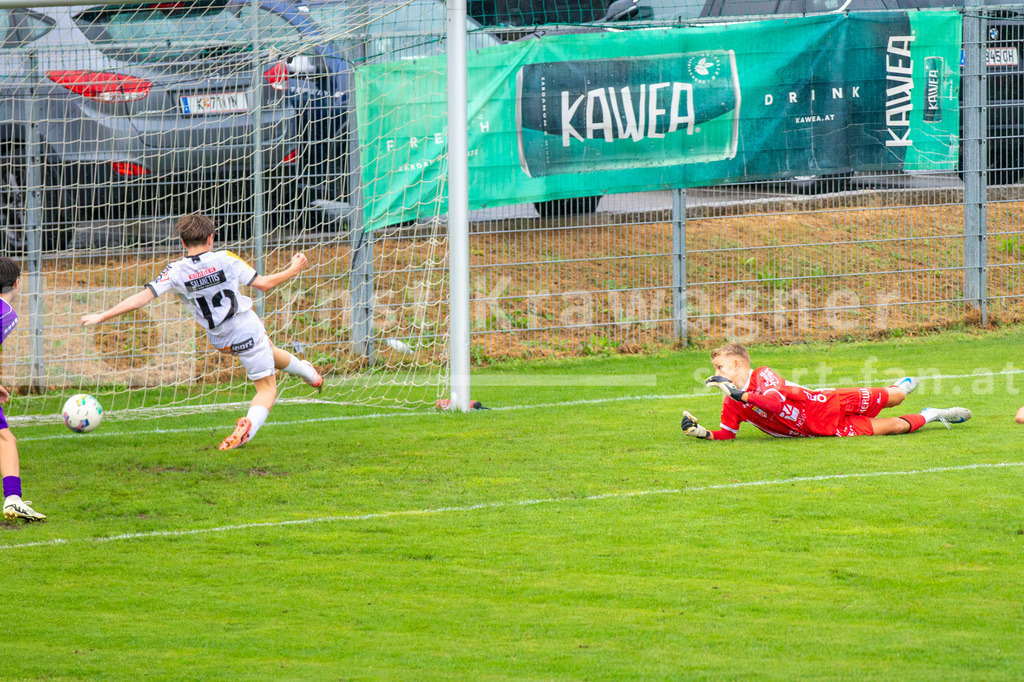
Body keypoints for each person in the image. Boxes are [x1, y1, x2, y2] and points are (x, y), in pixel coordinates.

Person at [81, 214, 322, 451]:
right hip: (245, 328)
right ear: (211, 238)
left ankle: (309, 373)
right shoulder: (225, 258)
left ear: (183, 242)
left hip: (220, 339)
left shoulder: (175, 270)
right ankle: (249, 426)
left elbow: (142, 298)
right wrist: (294, 268)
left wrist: (102, 315)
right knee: (267, 389)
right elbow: (264, 284)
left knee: (267, 350)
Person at [681, 343, 971, 440]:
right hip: (823, 428)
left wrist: (737, 393)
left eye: (719, 367)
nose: (715, 373)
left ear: (736, 364)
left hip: (829, 401)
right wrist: (701, 433)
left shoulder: (763, 374)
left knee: (895, 398)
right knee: (894, 426)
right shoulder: (732, 401)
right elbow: (728, 434)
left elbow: (773, 403)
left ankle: (899, 388)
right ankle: (932, 415)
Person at [0, 258, 45, 521]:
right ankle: (13, 499)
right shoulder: (6, 313)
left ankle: (14, 499)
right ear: (17, 283)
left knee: (5, 438)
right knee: (5, 440)